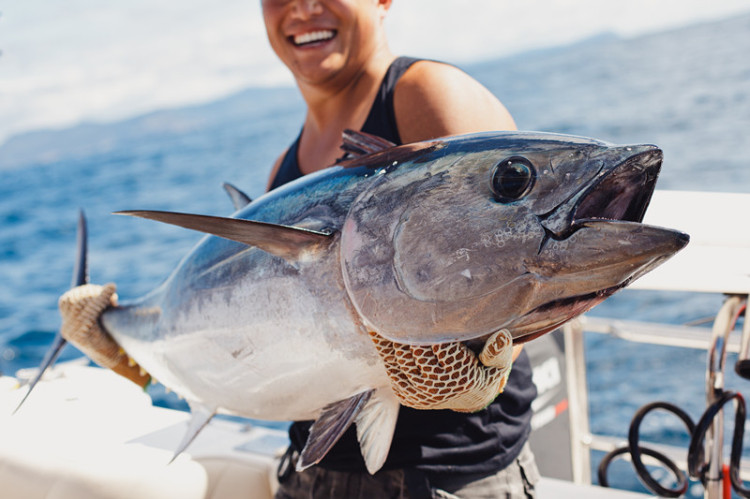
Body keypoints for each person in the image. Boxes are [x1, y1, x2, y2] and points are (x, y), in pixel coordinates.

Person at [260, 1, 539, 498]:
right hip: (311, 474)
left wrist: (489, 362)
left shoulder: (427, 94)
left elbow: (539, 255)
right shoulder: (284, 168)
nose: (302, 7)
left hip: (449, 476)